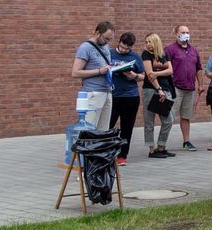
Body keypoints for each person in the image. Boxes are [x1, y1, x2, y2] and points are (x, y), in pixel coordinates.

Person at [109, 32, 145, 166]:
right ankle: (107, 153)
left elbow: (143, 76)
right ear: (119, 42)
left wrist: (134, 75)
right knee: (108, 126)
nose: (124, 50)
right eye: (123, 47)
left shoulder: (135, 57)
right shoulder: (109, 53)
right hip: (112, 95)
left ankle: (122, 156)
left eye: (127, 49)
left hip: (130, 96)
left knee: (127, 127)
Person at [71, 21, 116, 130]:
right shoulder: (85, 47)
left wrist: (115, 66)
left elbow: (104, 65)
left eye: (110, 39)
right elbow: (75, 72)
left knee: (103, 130)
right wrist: (99, 71)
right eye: (106, 39)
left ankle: (101, 147)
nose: (107, 42)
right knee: (89, 129)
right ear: (97, 33)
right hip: (93, 92)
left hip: (107, 91)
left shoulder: (105, 47)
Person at [165, 24, 203, 151]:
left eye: (187, 31)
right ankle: (162, 143)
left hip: (190, 88)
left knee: (186, 116)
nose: (186, 34)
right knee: (169, 116)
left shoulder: (193, 51)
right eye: (183, 32)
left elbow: (198, 68)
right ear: (176, 34)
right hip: (175, 88)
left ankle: (186, 141)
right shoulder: (169, 50)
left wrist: (201, 84)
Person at [141, 32, 175, 158]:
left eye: (149, 41)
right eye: (146, 42)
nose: (147, 44)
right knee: (149, 120)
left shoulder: (164, 54)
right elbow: (150, 75)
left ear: (156, 42)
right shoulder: (146, 54)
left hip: (165, 89)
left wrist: (158, 74)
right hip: (151, 90)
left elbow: (170, 71)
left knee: (168, 120)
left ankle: (161, 147)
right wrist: (158, 88)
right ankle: (151, 149)